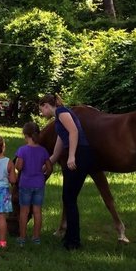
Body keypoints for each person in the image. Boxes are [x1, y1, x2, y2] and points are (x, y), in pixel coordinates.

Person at [38, 94, 93, 250]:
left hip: (80, 155)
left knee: (70, 198)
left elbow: (74, 132)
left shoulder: (62, 112)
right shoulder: (58, 118)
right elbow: (60, 144)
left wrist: (71, 156)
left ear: (46, 106)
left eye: (41, 109)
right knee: (68, 197)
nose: (41, 113)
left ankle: (74, 241)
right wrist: (49, 162)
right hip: (77, 154)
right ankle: (70, 238)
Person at [14, 121, 52, 245]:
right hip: (39, 184)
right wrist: (44, 175)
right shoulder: (43, 151)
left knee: (24, 211)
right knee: (37, 211)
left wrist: (18, 165)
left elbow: (19, 167)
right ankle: (36, 237)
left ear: (25, 135)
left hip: (25, 184)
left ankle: (22, 237)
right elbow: (49, 167)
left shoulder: (22, 150)